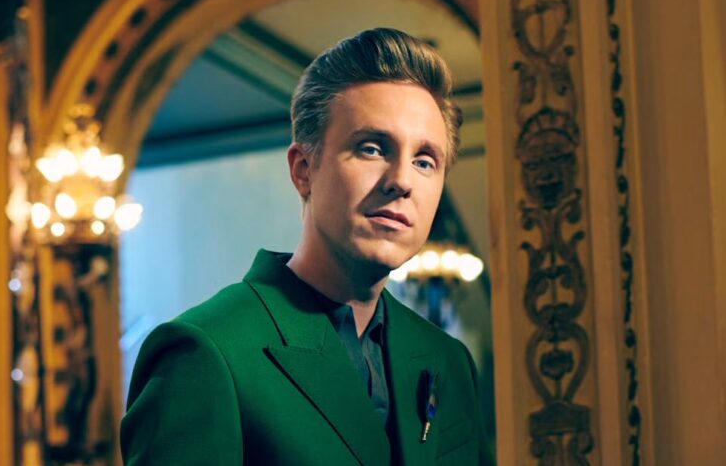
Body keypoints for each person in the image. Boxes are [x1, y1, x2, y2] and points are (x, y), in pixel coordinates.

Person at [120, 27, 493, 465]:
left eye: (424, 161)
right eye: (372, 149)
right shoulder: (205, 352)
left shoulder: (448, 359)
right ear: (303, 169)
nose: (402, 181)